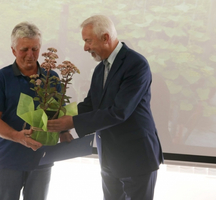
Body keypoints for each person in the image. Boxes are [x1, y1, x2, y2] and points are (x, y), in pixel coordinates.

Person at [47, 15, 164, 200]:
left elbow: (120, 112)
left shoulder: (136, 64)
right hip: (109, 158)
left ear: (105, 37)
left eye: (88, 41)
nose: (85, 47)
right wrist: (60, 122)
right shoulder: (101, 68)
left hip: (136, 159)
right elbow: (91, 105)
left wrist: (73, 121)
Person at [0, 21, 73, 200]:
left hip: (42, 158)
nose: (30, 55)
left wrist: (65, 133)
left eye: (35, 49)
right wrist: (18, 137)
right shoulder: (1, 78)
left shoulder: (52, 78)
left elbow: (59, 114)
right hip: (8, 159)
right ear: (13, 50)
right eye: (24, 49)